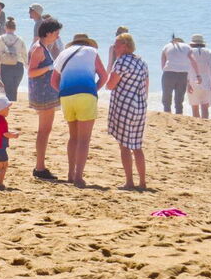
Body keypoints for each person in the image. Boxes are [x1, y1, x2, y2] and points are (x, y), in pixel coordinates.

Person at [50, 34, 108, 188]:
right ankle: (78, 177)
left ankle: (70, 173)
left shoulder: (64, 53)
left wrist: (63, 91)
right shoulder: (92, 51)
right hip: (86, 95)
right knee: (84, 139)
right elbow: (104, 76)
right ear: (88, 43)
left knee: (73, 137)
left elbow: (53, 81)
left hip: (66, 96)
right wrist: (93, 90)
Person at [106, 33, 149, 190]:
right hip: (140, 106)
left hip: (125, 105)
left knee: (124, 145)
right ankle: (142, 182)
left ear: (124, 45)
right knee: (137, 146)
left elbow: (110, 85)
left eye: (117, 45)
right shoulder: (141, 62)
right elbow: (146, 86)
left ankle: (129, 181)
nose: (114, 48)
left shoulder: (122, 62)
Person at [28, 18, 62, 181]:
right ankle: (40, 167)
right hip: (43, 94)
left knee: (45, 130)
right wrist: (49, 67)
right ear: (48, 33)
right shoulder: (38, 49)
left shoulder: (42, 47)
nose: (57, 36)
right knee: (44, 131)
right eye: (56, 33)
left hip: (44, 92)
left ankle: (40, 165)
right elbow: (31, 72)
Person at [160, 36, 201, 114]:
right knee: (179, 99)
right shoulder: (187, 47)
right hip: (183, 74)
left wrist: (166, 70)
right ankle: (179, 115)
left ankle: (167, 114)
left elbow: (163, 63)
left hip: (168, 73)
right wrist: (198, 75)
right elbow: (193, 60)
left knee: (166, 97)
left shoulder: (166, 46)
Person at [0, 17, 27, 101]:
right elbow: (24, 55)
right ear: (15, 28)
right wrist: (27, 66)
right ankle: (13, 104)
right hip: (18, 66)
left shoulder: (0, 39)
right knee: (14, 89)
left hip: (5, 65)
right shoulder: (20, 39)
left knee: (8, 90)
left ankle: (9, 106)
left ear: (5, 27)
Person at [187, 34, 211, 119]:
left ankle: (197, 125)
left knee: (194, 107)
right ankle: (205, 124)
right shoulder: (209, 52)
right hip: (206, 80)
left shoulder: (189, 52)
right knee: (205, 106)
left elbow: (187, 68)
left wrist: (187, 83)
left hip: (192, 79)